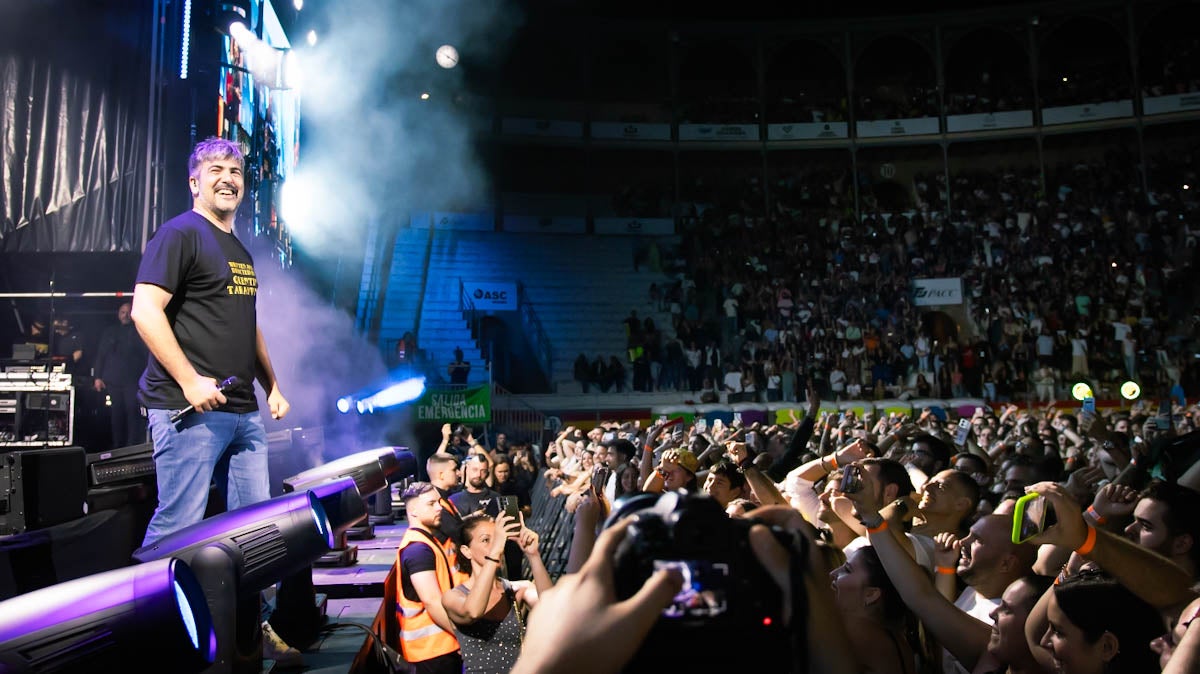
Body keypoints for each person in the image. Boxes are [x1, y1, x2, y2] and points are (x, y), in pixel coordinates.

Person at [131, 137, 295, 665]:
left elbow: (248, 328)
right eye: (216, 169)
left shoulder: (238, 249)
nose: (229, 177)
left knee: (255, 531)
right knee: (178, 526)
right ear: (194, 181)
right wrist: (189, 380)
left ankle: (249, 633)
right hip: (189, 411)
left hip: (243, 411)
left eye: (236, 170)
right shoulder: (180, 234)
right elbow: (145, 310)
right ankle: (154, 638)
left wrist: (273, 384)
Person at [442, 512, 553, 673]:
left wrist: (533, 555)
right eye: (486, 540)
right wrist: (494, 552)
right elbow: (472, 611)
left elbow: (553, 608)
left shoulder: (516, 590)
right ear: (467, 551)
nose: (496, 545)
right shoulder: (454, 596)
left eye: (498, 538)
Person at [396, 482, 466, 674]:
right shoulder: (418, 549)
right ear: (414, 512)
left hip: (439, 648)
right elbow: (432, 602)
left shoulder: (427, 541)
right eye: (431, 504)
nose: (439, 508)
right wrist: (462, 637)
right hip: (432, 652)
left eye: (439, 502)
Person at [92, 301, 149, 448]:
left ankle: (132, 445)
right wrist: (97, 377)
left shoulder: (139, 331)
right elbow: (101, 355)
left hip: (132, 379)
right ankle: (117, 445)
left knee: (131, 410)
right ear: (118, 314)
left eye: (128, 312)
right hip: (113, 379)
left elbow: (146, 355)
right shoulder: (110, 332)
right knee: (116, 413)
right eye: (123, 312)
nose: (126, 315)